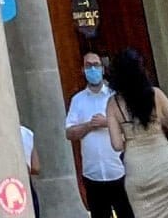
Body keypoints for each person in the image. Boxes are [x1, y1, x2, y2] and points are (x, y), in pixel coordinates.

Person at [103, 48, 168, 218]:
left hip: (137, 168)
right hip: (165, 164)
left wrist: (131, 138)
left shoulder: (113, 104)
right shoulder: (156, 94)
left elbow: (117, 145)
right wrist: (158, 122)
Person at [66, 54, 133, 218]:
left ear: (103, 69)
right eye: (88, 66)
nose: (93, 69)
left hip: (119, 171)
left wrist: (107, 122)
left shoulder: (116, 96)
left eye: (96, 65)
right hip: (93, 174)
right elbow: (69, 132)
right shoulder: (78, 100)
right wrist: (89, 125)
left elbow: (131, 127)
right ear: (83, 70)